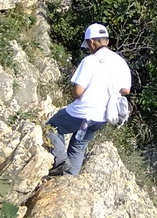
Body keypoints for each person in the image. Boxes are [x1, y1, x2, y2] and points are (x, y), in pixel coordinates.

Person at [46, 23, 132, 177]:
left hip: (82, 112)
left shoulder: (89, 61)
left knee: (52, 127)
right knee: (78, 147)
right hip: (101, 117)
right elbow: (126, 90)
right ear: (106, 40)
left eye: (88, 45)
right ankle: (68, 181)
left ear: (91, 42)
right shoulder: (121, 62)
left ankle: (60, 161)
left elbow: (77, 92)